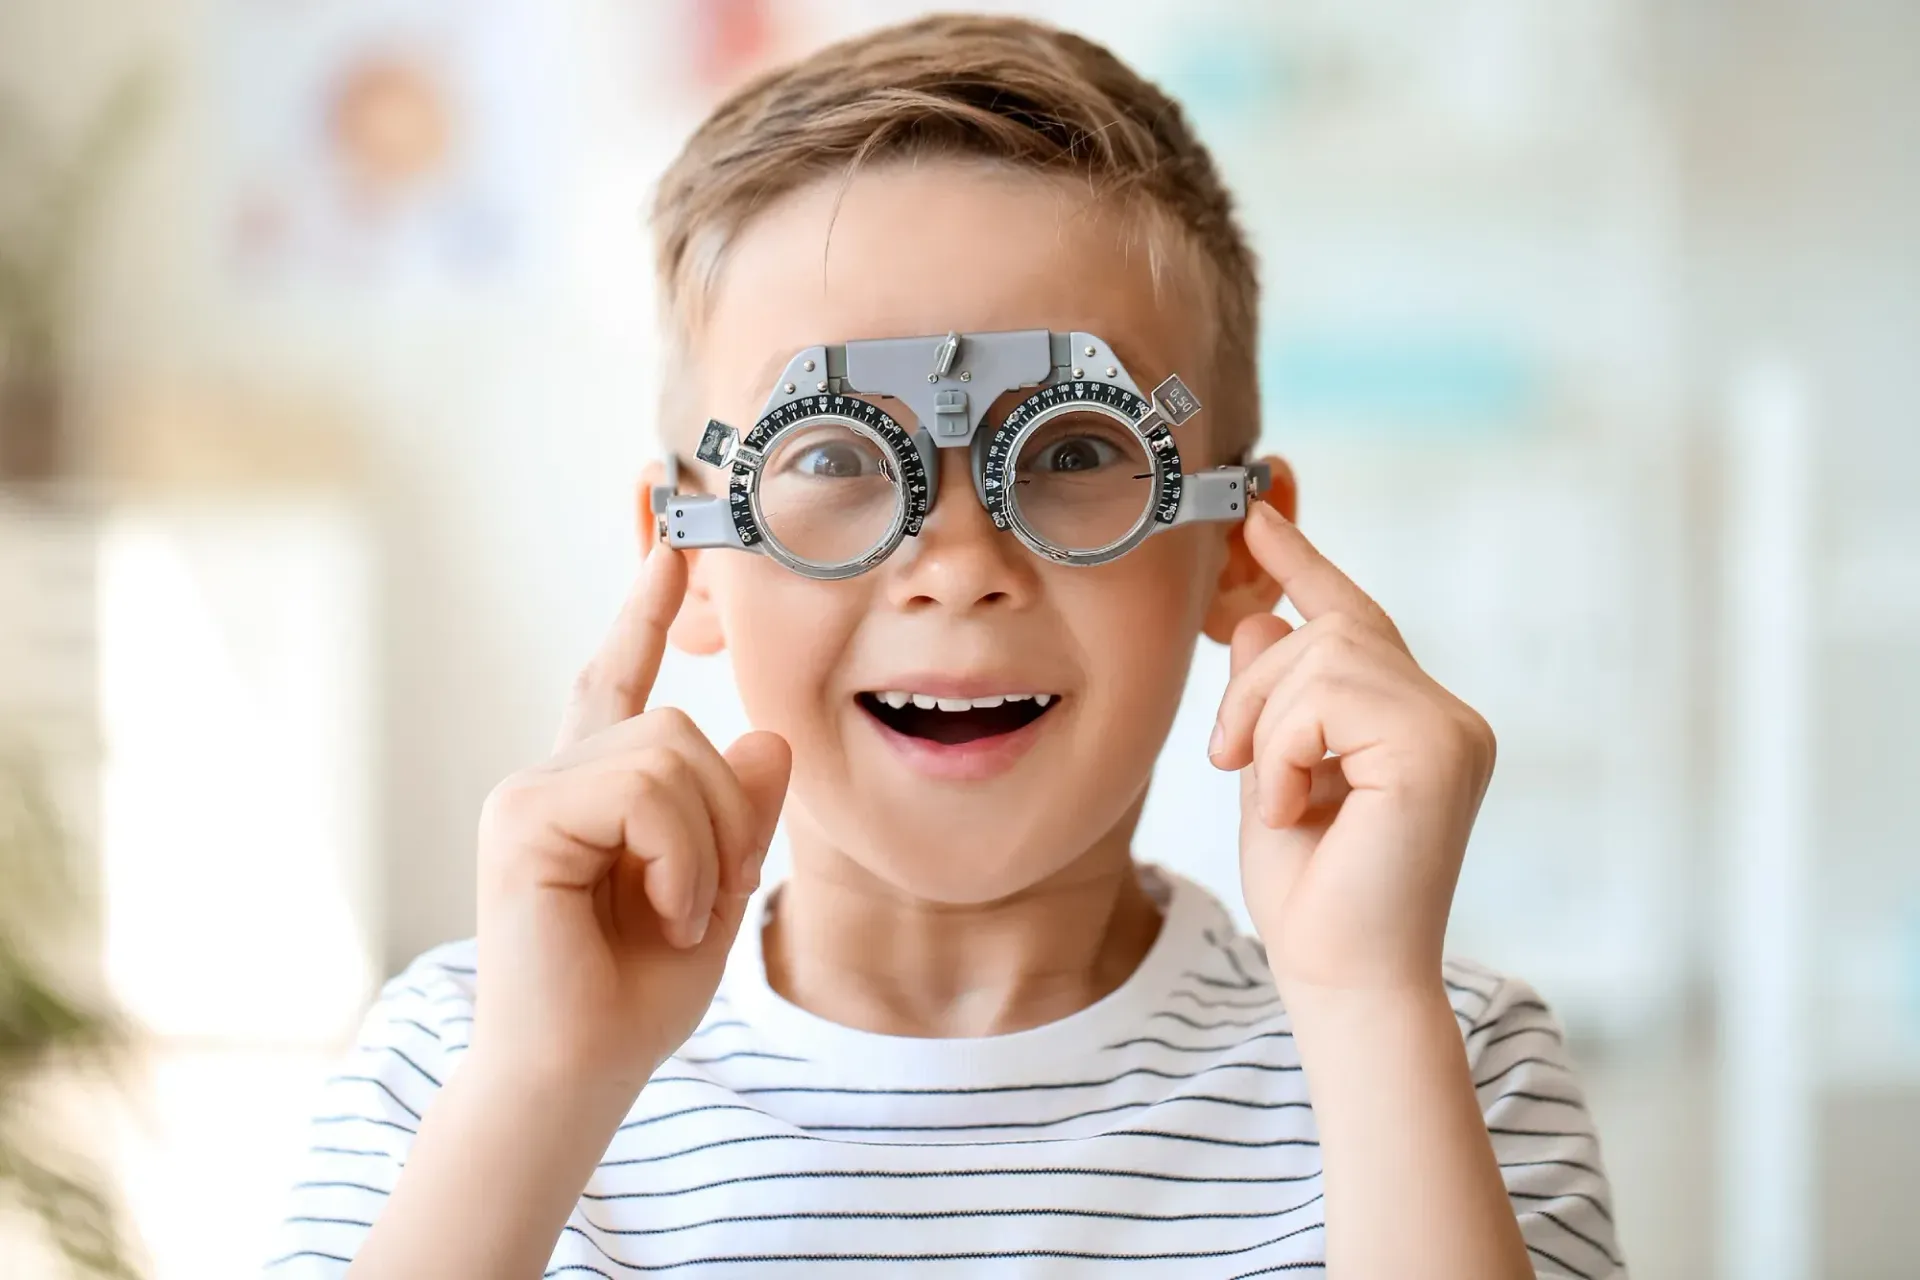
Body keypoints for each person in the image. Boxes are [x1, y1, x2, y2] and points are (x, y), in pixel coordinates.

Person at [269, 15, 1624, 1279]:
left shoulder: (1444, 1054)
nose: (961, 570)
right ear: (684, 554)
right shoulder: (462, 1056)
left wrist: (1371, 1015)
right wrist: (539, 1090)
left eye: (1079, 449)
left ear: (1234, 542)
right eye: (836, 456)